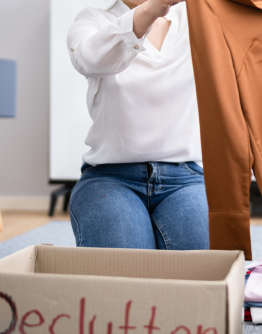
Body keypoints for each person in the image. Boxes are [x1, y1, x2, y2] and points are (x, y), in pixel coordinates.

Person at [66, 0, 208, 250]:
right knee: (123, 275)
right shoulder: (92, 19)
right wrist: (152, 8)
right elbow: (89, 58)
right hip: (109, 178)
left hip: (186, 178)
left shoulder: (199, 17)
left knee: (203, 273)